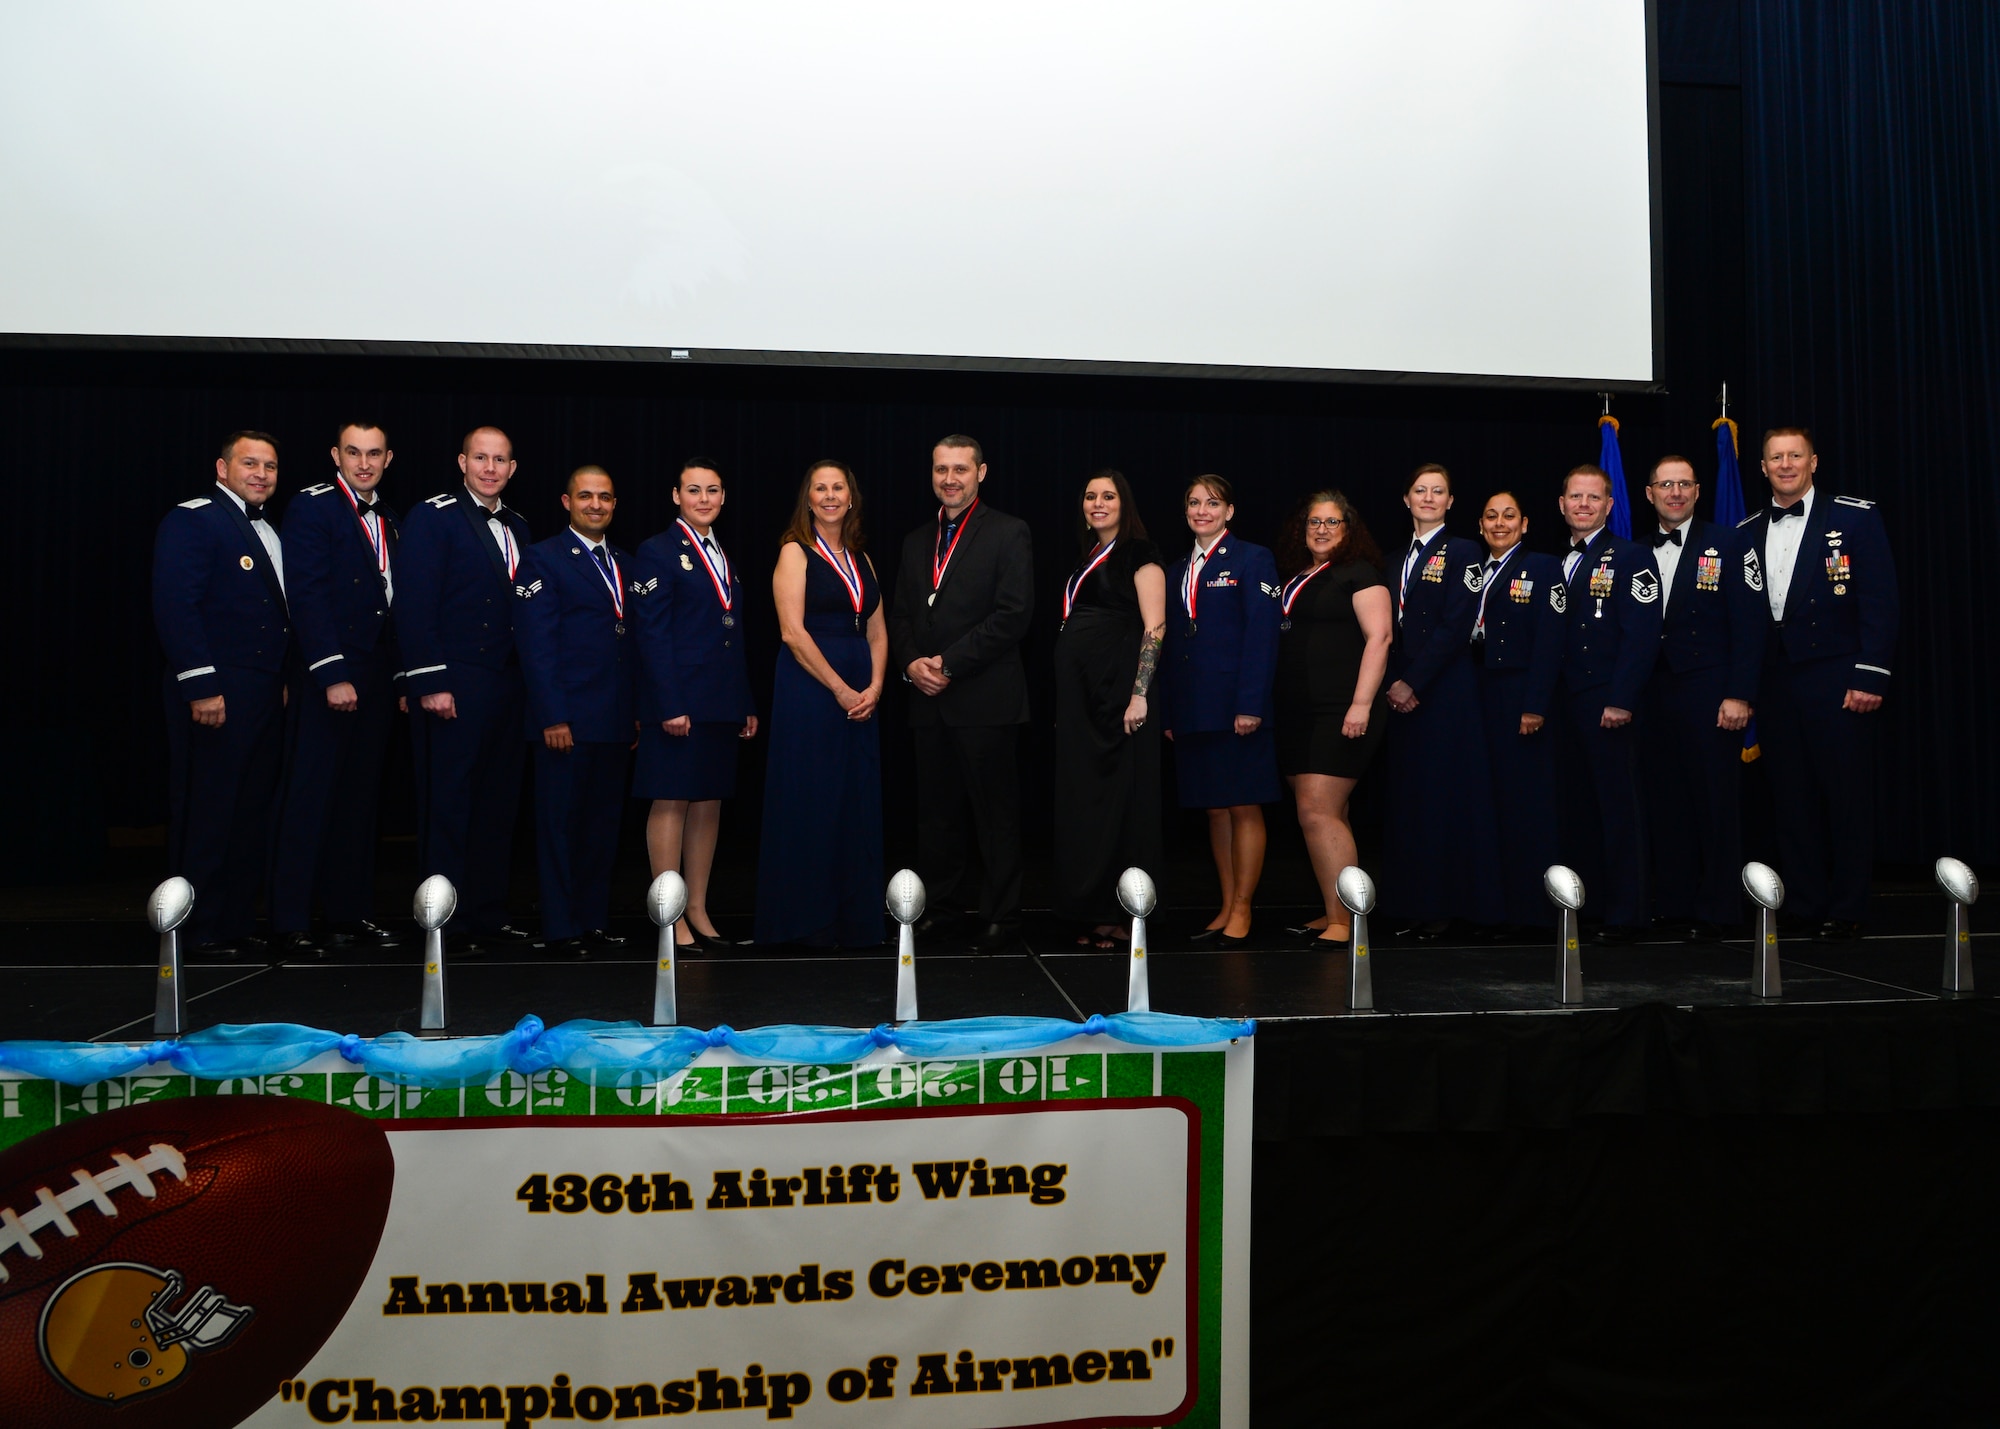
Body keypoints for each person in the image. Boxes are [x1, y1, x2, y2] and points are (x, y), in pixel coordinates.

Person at [1736, 427, 1898, 941]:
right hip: (1776, 682)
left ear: (1813, 462)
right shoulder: (1746, 531)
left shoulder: (1854, 516)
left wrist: (1870, 674)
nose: (1785, 465)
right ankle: (1805, 902)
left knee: (1845, 795)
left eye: (1795, 456)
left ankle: (1847, 906)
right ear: (1762, 467)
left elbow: (1880, 600)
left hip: (1838, 677)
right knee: (1791, 796)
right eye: (1775, 457)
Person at [887, 436, 1035, 953]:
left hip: (986, 699)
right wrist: (910, 664)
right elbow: (901, 614)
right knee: (936, 817)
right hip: (926, 700)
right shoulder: (913, 540)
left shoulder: (1008, 531)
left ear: (981, 472)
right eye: (941, 470)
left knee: (995, 815)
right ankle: (943, 910)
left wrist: (948, 663)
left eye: (960, 470)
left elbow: (1014, 614)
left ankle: (1002, 916)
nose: (950, 479)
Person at [397, 426, 537, 951]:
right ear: (462, 461)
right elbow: (413, 604)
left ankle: (487, 913)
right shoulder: (433, 516)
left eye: (500, 460)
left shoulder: (520, 525)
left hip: (506, 684)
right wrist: (430, 680)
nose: (490, 468)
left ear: (512, 468)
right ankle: (445, 920)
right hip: (454, 681)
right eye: (481, 458)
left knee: (497, 804)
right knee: (449, 803)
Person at [152, 431, 292, 957]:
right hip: (216, 689)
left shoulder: (268, 531)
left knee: (250, 808)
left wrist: (276, 682)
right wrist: (201, 685)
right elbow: (176, 607)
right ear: (221, 467)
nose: (260, 474)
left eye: (270, 466)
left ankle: (233, 920)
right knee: (208, 808)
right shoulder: (194, 518)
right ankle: (195, 924)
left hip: (260, 690)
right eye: (249, 463)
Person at [269, 422, 403, 959]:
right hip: (331, 674)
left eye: (373, 454)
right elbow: (305, 593)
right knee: (309, 797)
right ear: (336, 455)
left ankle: (347, 912)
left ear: (388, 459)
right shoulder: (313, 506)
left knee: (358, 800)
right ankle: (291, 919)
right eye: (353, 452)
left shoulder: (391, 517)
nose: (363, 463)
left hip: (374, 676)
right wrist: (331, 672)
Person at [754, 461, 887, 947]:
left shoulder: (862, 558)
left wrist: (874, 687)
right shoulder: (795, 552)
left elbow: (877, 629)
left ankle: (853, 922)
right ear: (807, 500)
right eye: (820, 489)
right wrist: (840, 688)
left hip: (859, 694)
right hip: (812, 689)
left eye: (838, 488)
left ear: (851, 498)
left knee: (852, 802)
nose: (830, 496)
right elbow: (791, 632)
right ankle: (804, 921)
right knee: (812, 798)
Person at [630, 459, 758, 952]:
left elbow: (733, 635)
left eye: (713, 491)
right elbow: (653, 634)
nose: (704, 498)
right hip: (678, 703)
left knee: (708, 803)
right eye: (694, 490)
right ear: (676, 496)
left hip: (719, 703)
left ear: (723, 497)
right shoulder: (658, 551)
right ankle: (670, 915)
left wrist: (743, 700)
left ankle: (699, 909)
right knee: (671, 800)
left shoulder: (720, 552)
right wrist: (669, 703)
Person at [514, 465, 639, 957]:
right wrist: (552, 716)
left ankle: (592, 920)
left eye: (604, 498)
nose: (595, 505)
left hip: (612, 722)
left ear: (614, 504)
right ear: (566, 502)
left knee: (601, 829)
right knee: (560, 826)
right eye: (585, 496)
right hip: (565, 721)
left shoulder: (626, 563)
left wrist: (631, 713)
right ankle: (561, 927)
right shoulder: (543, 559)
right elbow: (536, 645)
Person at [1640, 455, 1761, 940]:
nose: (1674, 493)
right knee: (1666, 801)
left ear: (1697, 491)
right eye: (1665, 484)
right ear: (1649, 493)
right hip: (1654, 694)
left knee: (1713, 801)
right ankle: (1673, 901)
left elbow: (1750, 628)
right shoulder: (1633, 551)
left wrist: (1739, 695)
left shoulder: (1730, 543)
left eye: (1683, 484)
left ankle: (1716, 910)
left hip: (1711, 693)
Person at [1380, 463, 1503, 936]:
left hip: (1445, 694)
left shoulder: (1465, 551)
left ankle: (1445, 909)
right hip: (1399, 697)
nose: (1429, 497)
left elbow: (1457, 625)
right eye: (1420, 490)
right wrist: (1394, 681)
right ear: (1406, 500)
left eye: (1439, 491)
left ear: (1451, 502)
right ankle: (1413, 904)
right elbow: (1383, 631)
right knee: (1411, 802)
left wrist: (1413, 682)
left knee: (1446, 800)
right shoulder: (1391, 561)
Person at [1161, 475, 1281, 945]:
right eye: (1193, 502)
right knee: (1215, 810)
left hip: (1237, 708)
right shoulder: (1176, 569)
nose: (1202, 510)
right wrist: (1170, 713)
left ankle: (1245, 909)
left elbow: (1263, 635)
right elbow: (1170, 646)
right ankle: (1227, 904)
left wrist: (1250, 704)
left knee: (1244, 805)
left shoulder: (1254, 558)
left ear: (1230, 510)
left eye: (1212, 503)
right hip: (1194, 710)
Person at [1271, 491, 1392, 947]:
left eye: (1332, 522)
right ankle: (1333, 912)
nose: (1321, 530)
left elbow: (1379, 639)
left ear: (1349, 529)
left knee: (1317, 811)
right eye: (1313, 522)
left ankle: (1348, 923)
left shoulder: (1360, 575)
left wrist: (1360, 704)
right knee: (1326, 813)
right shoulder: (1296, 577)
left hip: (1341, 710)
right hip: (1296, 712)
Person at [1052, 470, 1167, 945]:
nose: (1097, 503)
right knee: (1088, 804)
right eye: (1090, 496)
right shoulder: (1084, 559)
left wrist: (1139, 692)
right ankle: (1091, 909)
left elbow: (1155, 627)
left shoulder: (1140, 553)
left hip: (1120, 697)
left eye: (1108, 496)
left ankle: (1123, 914)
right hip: (1083, 702)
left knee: (1123, 803)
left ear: (1126, 503)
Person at [1553, 462, 1664, 942]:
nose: (1583, 505)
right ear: (1561, 505)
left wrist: (1621, 699)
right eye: (1575, 497)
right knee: (1580, 809)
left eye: (1593, 498)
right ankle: (1592, 903)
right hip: (1566, 704)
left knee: (1620, 809)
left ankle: (1627, 913)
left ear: (1610, 505)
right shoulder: (1555, 562)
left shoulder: (1632, 556)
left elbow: (1642, 638)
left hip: (1607, 703)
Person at [1469, 490, 1565, 934]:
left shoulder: (1545, 567)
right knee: (1489, 802)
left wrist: (1535, 704)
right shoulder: (1473, 570)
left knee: (1526, 804)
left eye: (1509, 516)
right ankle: (1493, 905)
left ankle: (1533, 910)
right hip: (1479, 692)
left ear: (1525, 524)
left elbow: (1551, 640)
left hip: (1521, 695)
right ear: (1481, 525)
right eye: (1491, 516)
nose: (1499, 523)